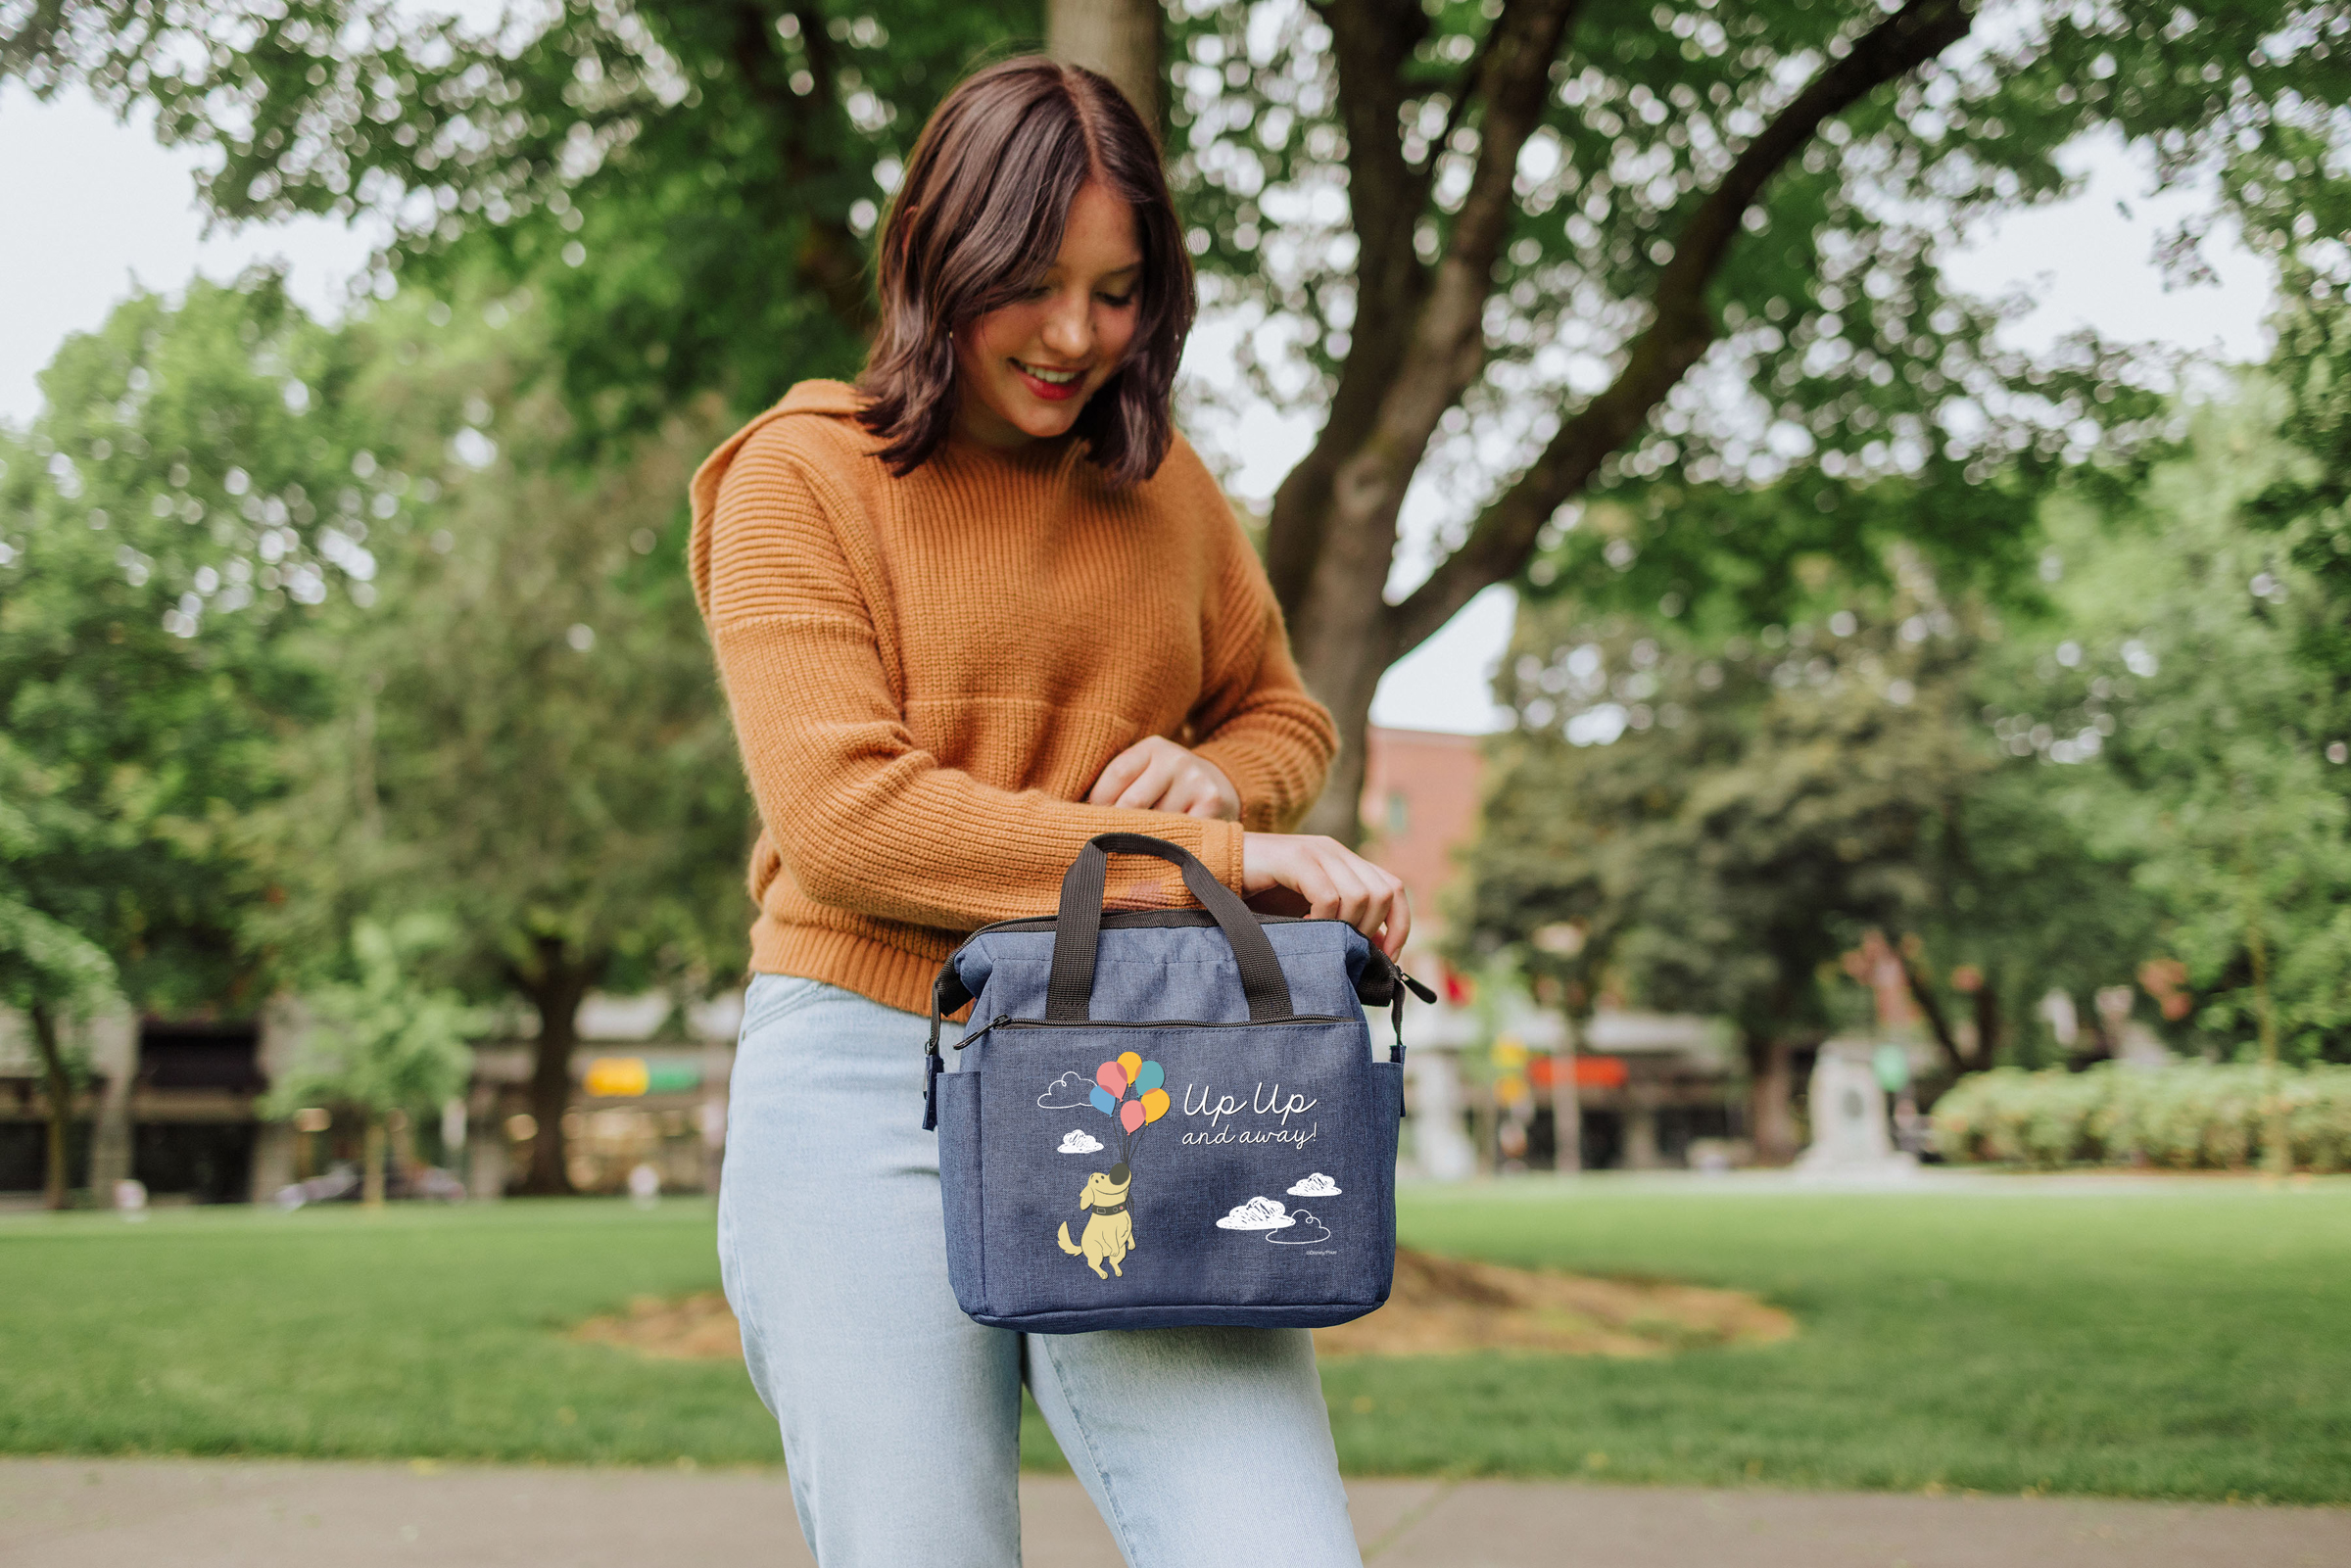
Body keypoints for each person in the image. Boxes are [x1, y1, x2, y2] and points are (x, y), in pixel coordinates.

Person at [689, 56, 1408, 1567]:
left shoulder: (1167, 492)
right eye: (1031, 282)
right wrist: (1207, 856)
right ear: (934, 256)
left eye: (1121, 288)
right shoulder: (800, 478)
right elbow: (851, 823)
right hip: (863, 1078)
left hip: (1141, 1070)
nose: (1079, 335)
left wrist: (1228, 774)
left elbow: (1282, 711)